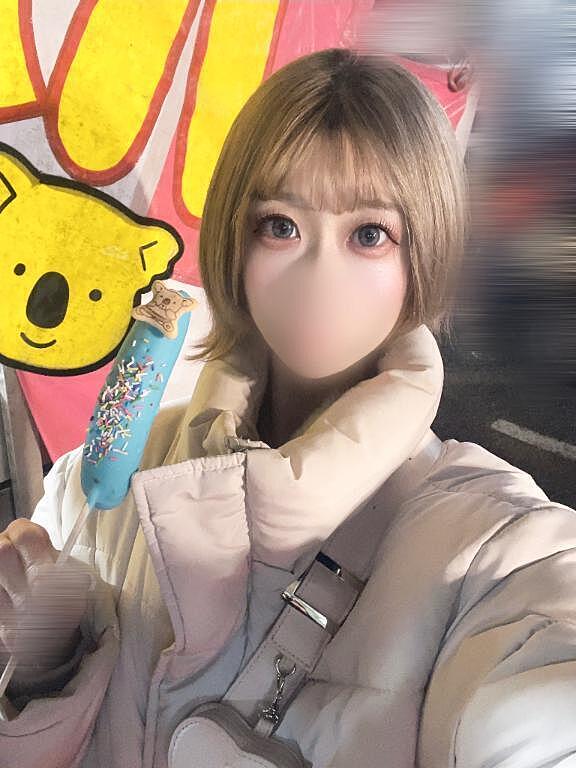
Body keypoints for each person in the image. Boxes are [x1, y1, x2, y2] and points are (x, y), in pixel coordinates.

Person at [1, 47, 575, 768]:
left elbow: (541, 681)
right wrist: (43, 660)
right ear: (236, 240)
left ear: (424, 252)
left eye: (369, 235)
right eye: (280, 225)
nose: (318, 277)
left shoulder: (489, 543)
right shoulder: (99, 483)